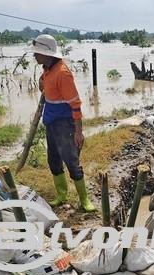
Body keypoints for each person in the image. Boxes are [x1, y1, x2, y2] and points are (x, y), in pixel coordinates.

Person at [29, 34, 95, 212]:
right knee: (53, 161)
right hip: (51, 122)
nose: (34, 56)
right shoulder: (47, 68)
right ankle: (62, 196)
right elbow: (46, 88)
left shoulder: (63, 73)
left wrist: (78, 131)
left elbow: (75, 104)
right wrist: (41, 82)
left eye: (37, 53)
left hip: (65, 125)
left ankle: (84, 200)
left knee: (71, 162)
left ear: (47, 54)